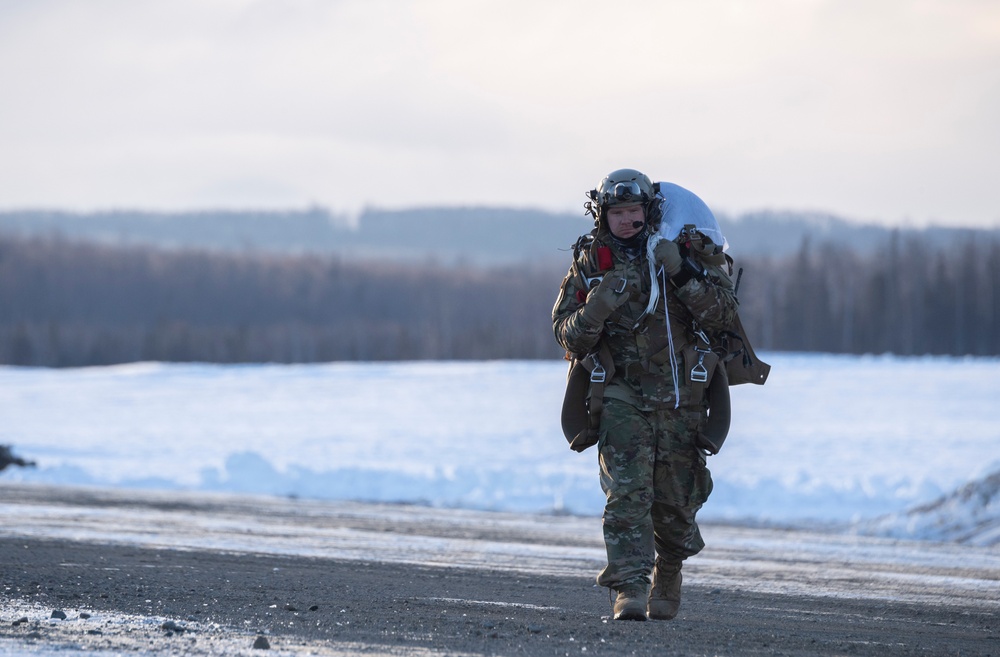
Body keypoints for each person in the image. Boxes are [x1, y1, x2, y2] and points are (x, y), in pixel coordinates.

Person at [552, 169, 739, 621]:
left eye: (634, 211)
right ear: (604, 215)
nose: (627, 221)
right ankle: (630, 588)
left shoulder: (683, 252)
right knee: (627, 494)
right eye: (618, 213)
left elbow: (723, 315)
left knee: (677, 502)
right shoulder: (592, 262)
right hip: (620, 395)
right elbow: (565, 334)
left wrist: (682, 271)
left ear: (649, 211)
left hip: (681, 395)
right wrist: (595, 308)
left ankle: (668, 573)